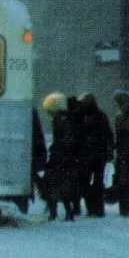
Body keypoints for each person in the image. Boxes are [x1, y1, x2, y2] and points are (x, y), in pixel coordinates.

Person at [41, 93, 80, 221]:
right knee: (64, 186)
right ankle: (68, 212)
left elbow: (64, 140)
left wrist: (58, 152)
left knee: (52, 184)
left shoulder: (60, 119)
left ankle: (54, 212)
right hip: (66, 158)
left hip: (59, 158)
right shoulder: (69, 117)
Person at [77, 93, 114, 217]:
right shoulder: (100, 116)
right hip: (96, 155)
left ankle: (93, 209)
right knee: (95, 183)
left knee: (88, 182)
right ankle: (97, 209)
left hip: (91, 155)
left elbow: (108, 135)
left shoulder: (84, 117)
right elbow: (109, 135)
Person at [30, 106, 49, 211]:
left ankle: (46, 197)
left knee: (33, 176)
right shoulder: (32, 111)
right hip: (37, 151)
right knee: (34, 176)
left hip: (35, 152)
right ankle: (46, 197)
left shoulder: (30, 112)